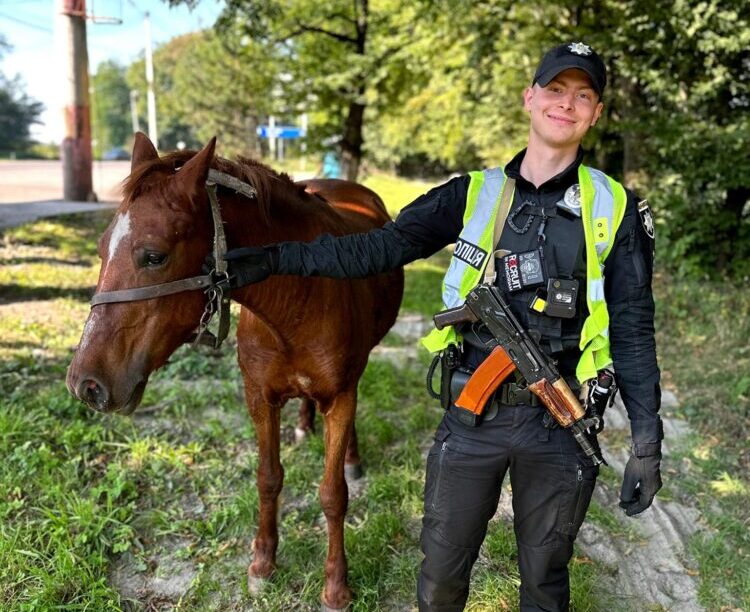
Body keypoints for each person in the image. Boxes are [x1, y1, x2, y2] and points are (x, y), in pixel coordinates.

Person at [223, 41, 662, 612]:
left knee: (546, 580)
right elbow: (376, 250)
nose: (567, 104)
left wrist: (648, 443)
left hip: (560, 421)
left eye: (583, 96)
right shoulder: (470, 194)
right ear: (531, 99)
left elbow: (631, 328)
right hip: (471, 417)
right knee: (441, 577)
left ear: (596, 113)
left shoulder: (616, 207)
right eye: (555, 90)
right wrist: (277, 259)